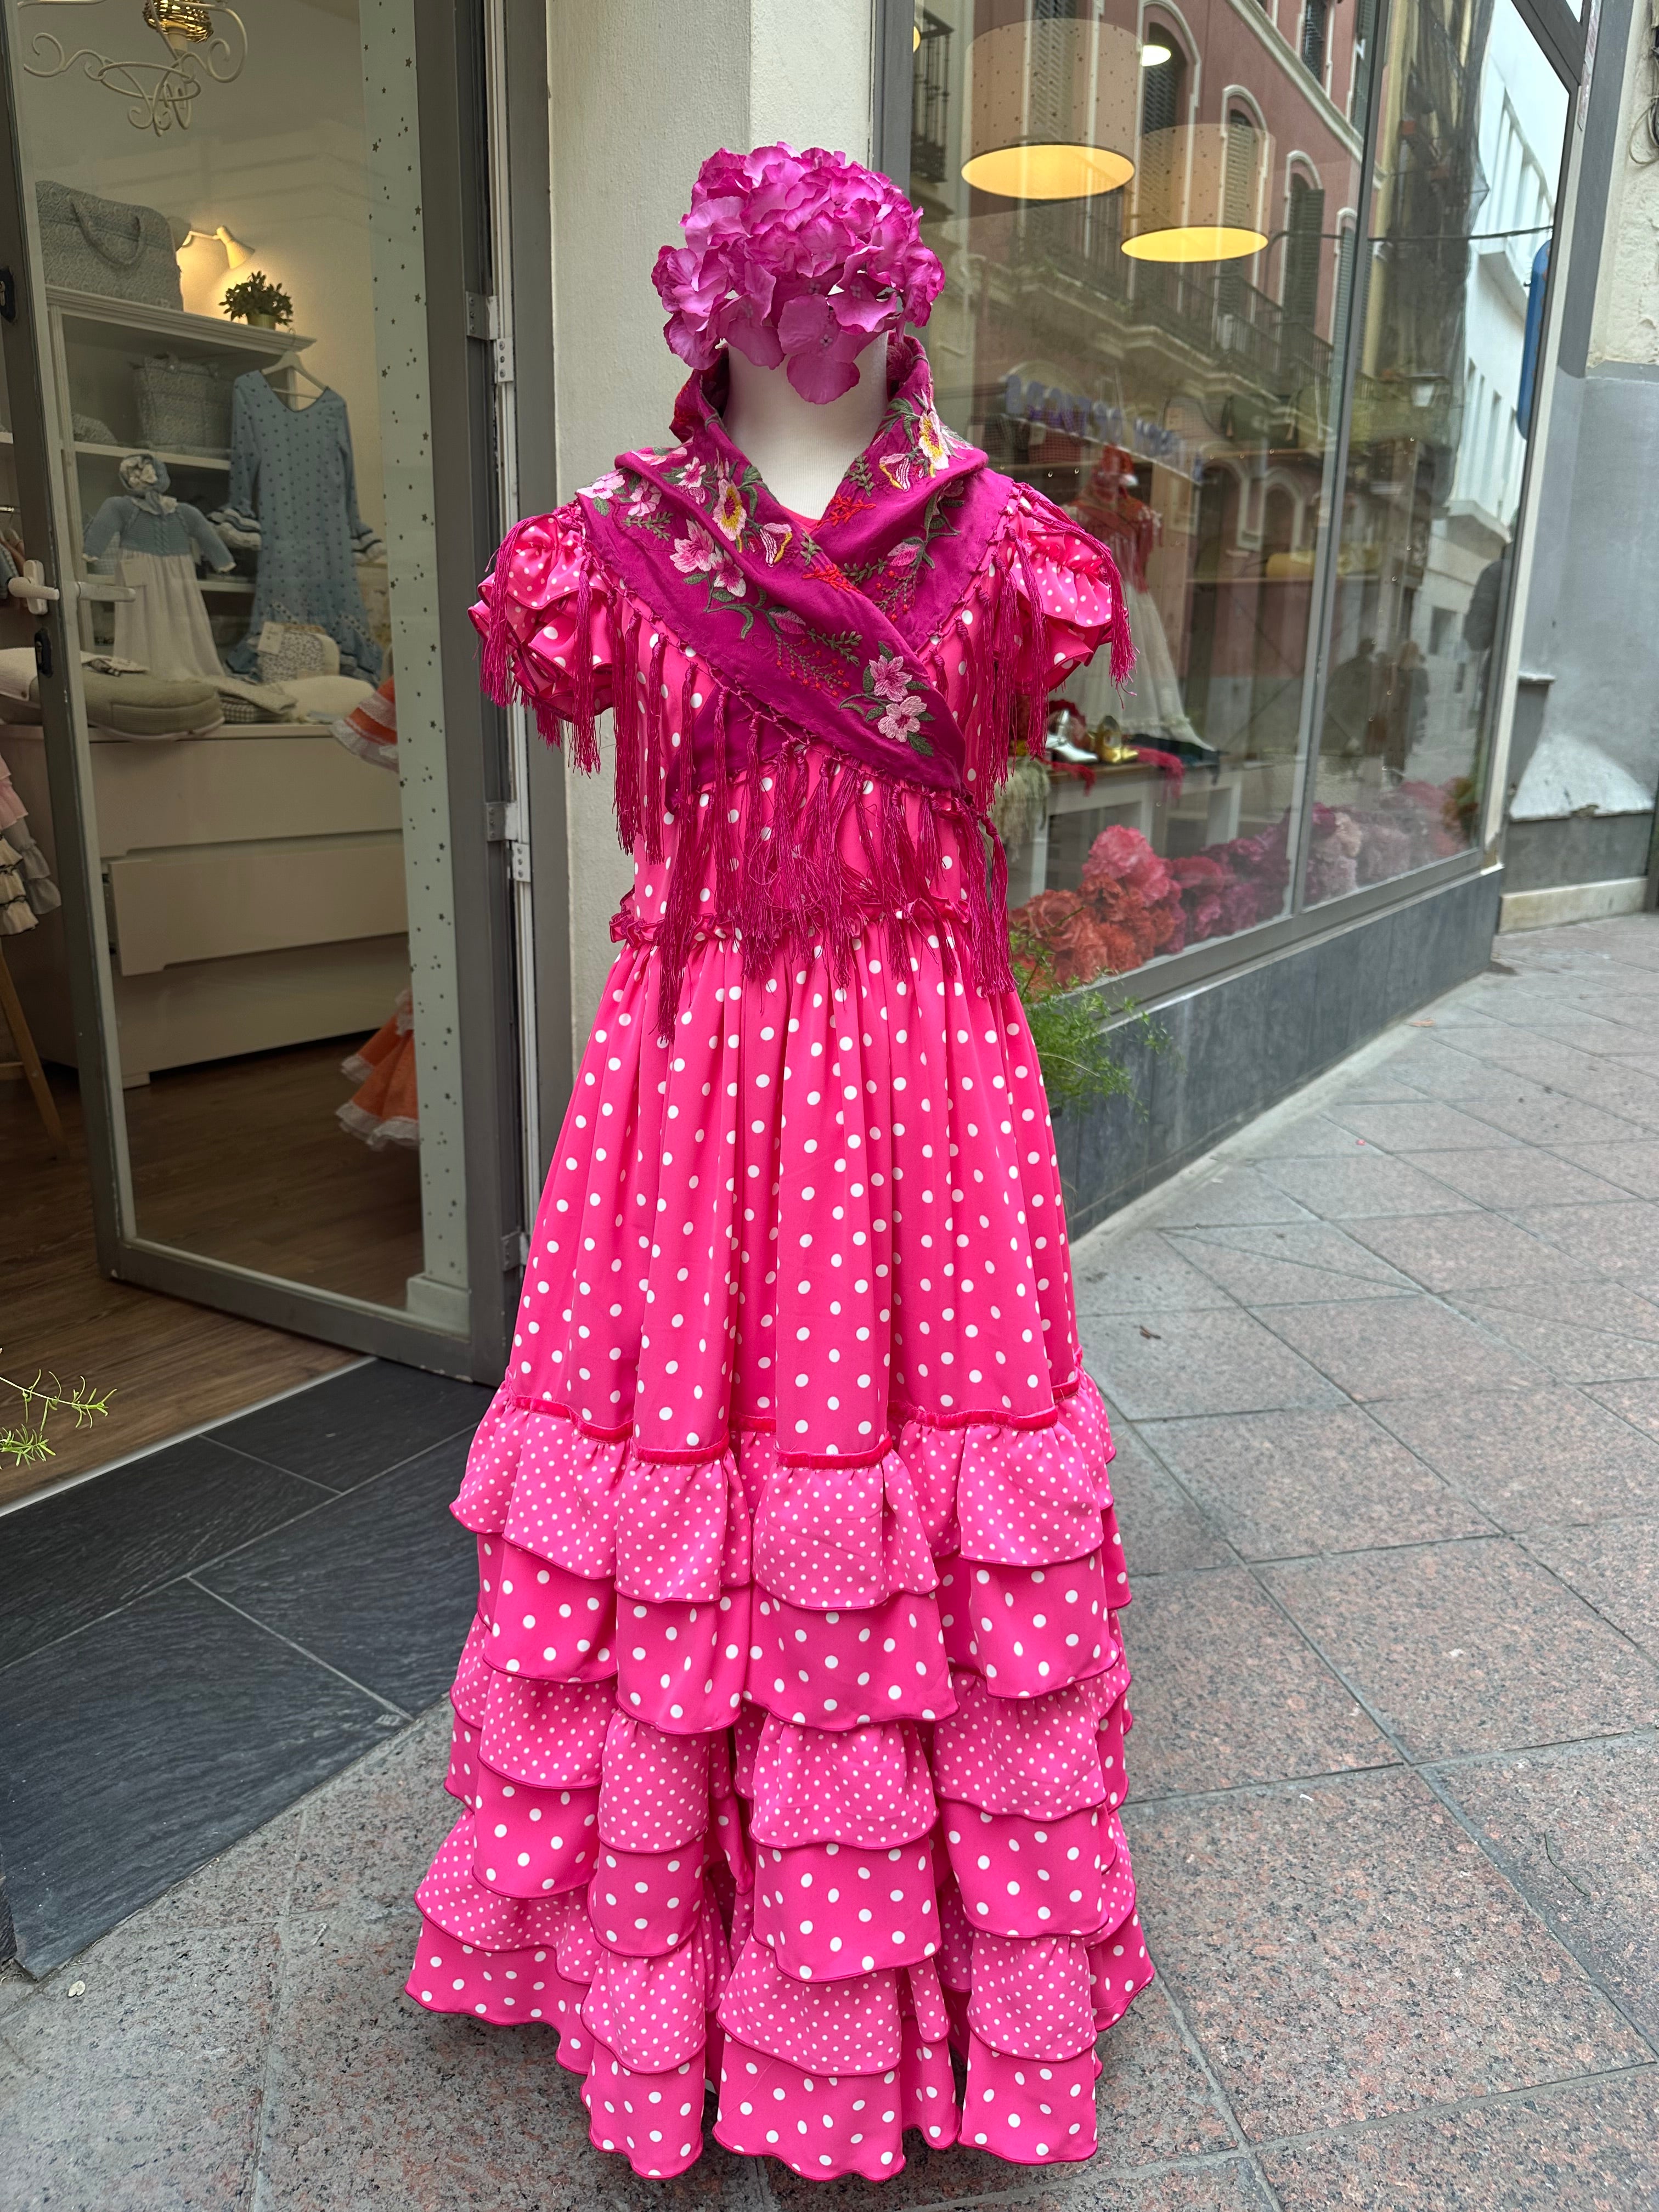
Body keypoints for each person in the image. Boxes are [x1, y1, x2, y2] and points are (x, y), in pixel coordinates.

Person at [401, 144, 1150, 2184]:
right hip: (699, 1084)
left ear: (896, 313)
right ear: (713, 318)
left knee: (904, 1456)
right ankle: (664, 1945)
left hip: (923, 1071)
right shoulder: (596, 554)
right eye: (785, 305)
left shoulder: (1012, 547)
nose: (822, 336)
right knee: (689, 1460)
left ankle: (897, 1968)